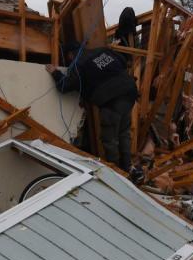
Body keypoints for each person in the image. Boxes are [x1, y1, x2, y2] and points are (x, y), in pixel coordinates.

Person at [47, 43, 139, 174]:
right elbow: (124, 62)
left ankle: (118, 173)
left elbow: (64, 86)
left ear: (70, 55)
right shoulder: (103, 50)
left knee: (109, 139)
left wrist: (55, 73)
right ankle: (129, 167)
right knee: (123, 132)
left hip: (111, 102)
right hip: (130, 93)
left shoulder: (78, 64)